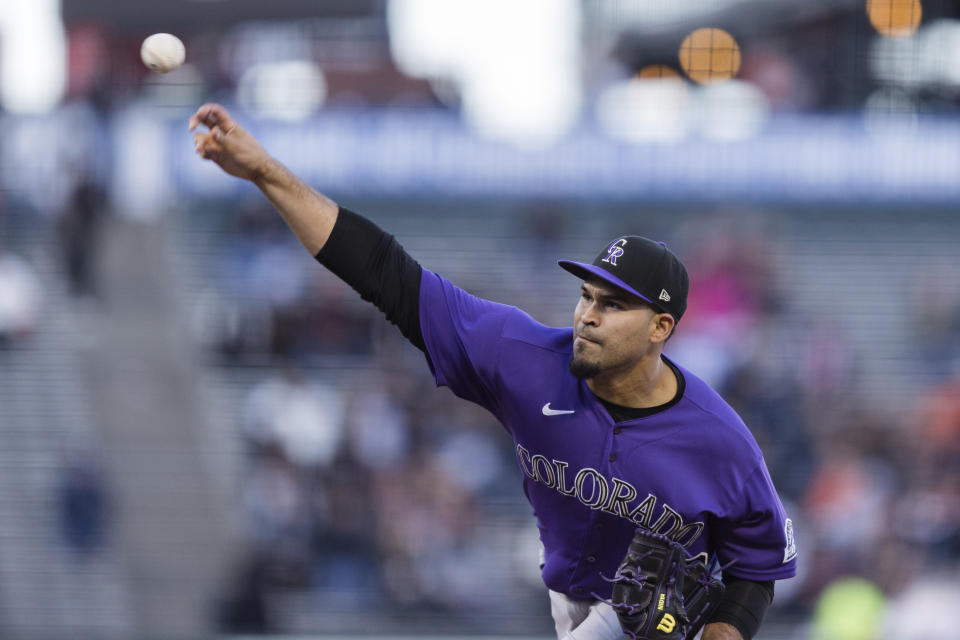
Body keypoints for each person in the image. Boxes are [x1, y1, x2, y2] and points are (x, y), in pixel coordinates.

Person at [189, 104, 797, 640]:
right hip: (572, 608)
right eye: (586, 295)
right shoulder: (523, 356)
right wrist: (266, 172)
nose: (587, 314)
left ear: (660, 329)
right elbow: (384, 273)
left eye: (612, 305)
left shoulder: (720, 442)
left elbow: (758, 566)